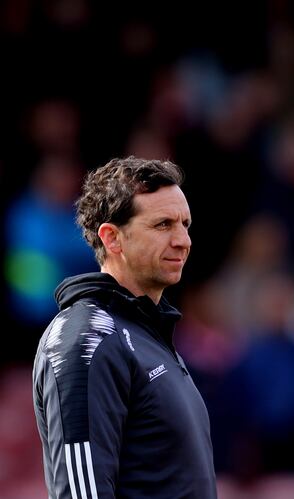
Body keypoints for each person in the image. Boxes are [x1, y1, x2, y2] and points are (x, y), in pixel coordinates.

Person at [32, 157, 217, 498]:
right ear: (112, 238)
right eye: (163, 225)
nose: (183, 240)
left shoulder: (147, 332)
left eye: (185, 224)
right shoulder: (86, 338)